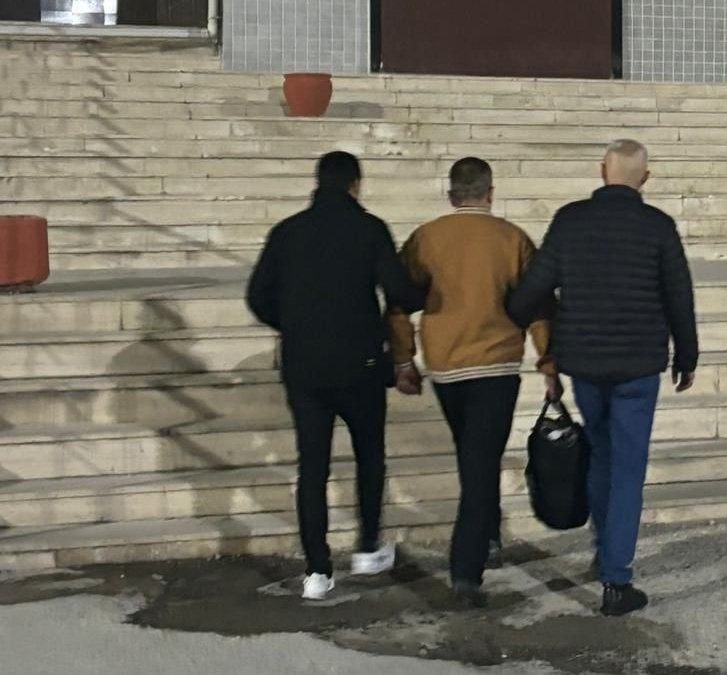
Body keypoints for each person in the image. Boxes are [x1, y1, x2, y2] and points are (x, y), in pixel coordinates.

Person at [507, 139, 699, 617]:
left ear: (601, 171)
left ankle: (602, 550)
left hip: (585, 364)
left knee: (599, 454)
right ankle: (616, 578)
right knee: (628, 469)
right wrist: (687, 356)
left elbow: (533, 287)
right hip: (638, 366)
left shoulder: (570, 220)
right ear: (645, 178)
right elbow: (679, 295)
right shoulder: (658, 227)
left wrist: (517, 316)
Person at [246, 151, 424, 601]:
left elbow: (257, 296)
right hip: (360, 364)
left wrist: (291, 323)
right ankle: (367, 546)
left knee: (313, 466)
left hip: (304, 365)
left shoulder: (287, 232)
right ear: (355, 185)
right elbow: (399, 292)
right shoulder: (369, 229)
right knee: (369, 455)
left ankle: (317, 570)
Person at [387, 157, 557, 608]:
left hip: (445, 365)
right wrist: (548, 362)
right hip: (496, 364)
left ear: (451, 195)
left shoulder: (426, 238)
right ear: (490, 193)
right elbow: (539, 305)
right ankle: (466, 571)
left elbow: (399, 302)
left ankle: (487, 533)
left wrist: (403, 358)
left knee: (474, 455)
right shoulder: (512, 239)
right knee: (481, 463)